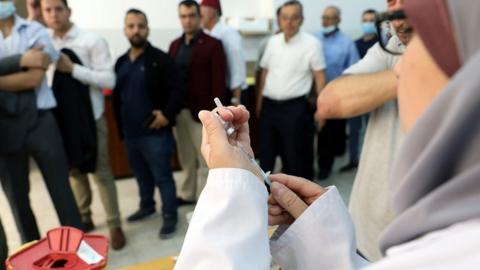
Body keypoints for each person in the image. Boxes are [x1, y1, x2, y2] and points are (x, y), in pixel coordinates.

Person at [174, 0, 480, 268]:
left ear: (464, 71)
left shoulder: (452, 248)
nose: (401, 66)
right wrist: (320, 234)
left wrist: (232, 189)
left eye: (415, 42)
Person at [316, 0, 411, 260]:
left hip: (427, 239)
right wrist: (415, 69)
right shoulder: (393, 49)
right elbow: (330, 101)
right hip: (370, 228)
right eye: (392, 4)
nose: (398, 19)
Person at [41, 0, 126, 249]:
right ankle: (84, 216)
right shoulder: (42, 42)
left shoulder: (91, 40)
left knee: (101, 172)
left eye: (58, 9)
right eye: (48, 10)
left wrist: (73, 68)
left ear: (69, 11)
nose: (54, 15)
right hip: (61, 119)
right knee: (74, 171)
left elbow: (109, 78)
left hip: (92, 117)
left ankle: (114, 224)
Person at [0, 0, 84, 243]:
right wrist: (21, 60)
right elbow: (25, 72)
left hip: (41, 122)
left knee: (62, 192)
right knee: (17, 201)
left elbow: (34, 78)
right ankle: (31, 256)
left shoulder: (35, 30)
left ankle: (78, 251)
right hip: (5, 128)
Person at [113, 8, 184, 239]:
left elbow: (178, 89)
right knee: (141, 176)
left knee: (163, 177)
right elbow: (117, 98)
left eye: (140, 26)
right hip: (131, 134)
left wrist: (166, 114)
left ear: (147, 29)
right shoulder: (121, 62)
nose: (136, 30)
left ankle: (170, 215)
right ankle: (147, 206)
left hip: (155, 134)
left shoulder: (159, 59)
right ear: (125, 30)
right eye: (131, 26)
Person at [256, 0, 326, 180]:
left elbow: (319, 77)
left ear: (301, 20)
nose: (289, 22)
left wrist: (322, 109)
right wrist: (259, 104)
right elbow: (264, 72)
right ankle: (264, 198)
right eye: (285, 17)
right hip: (270, 107)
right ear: (279, 19)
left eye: (294, 18)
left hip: (295, 108)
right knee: (266, 155)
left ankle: (295, 202)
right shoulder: (273, 42)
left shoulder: (312, 44)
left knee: (294, 156)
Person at [168, 0, 227, 203]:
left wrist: (216, 114)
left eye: (192, 15)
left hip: (202, 112)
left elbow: (219, 82)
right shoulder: (174, 45)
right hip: (180, 111)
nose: (188, 20)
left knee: (205, 158)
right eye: (183, 16)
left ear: (199, 17)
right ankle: (187, 194)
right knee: (185, 158)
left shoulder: (213, 44)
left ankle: (206, 198)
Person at [0, 50, 50, 270]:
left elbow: (34, 72)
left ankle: (34, 261)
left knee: (19, 203)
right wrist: (20, 60)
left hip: (7, 136)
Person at [313, 6, 359, 179]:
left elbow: (352, 72)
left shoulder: (347, 43)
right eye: (324, 17)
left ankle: (325, 167)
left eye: (330, 18)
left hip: (334, 95)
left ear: (338, 20)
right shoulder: (314, 38)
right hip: (311, 95)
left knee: (328, 135)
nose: (326, 21)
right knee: (308, 133)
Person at [338, 9, 379, 173]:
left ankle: (373, 162)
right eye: (365, 20)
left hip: (373, 94)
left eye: (371, 20)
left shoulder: (380, 45)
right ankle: (353, 160)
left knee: (372, 129)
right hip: (355, 94)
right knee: (354, 130)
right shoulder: (355, 44)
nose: (368, 23)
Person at [200, 0, 247, 105]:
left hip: (234, 93)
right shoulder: (210, 34)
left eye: (201, 12)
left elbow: (237, 68)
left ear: (212, 12)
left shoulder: (228, 33)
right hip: (223, 93)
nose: (199, 16)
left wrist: (236, 99)